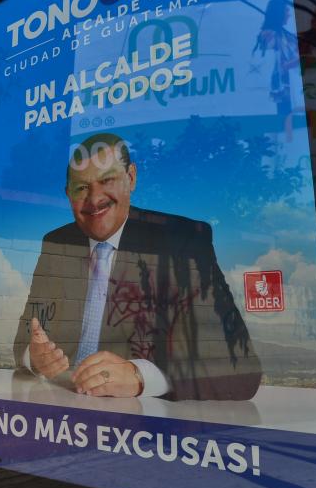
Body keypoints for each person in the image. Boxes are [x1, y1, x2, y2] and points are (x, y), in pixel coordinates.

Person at [13, 133, 261, 401]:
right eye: (81, 188)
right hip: (57, 408)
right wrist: (34, 357)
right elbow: (24, 340)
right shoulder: (56, 243)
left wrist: (140, 377)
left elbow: (239, 365)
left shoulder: (183, 241)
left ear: (131, 178)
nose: (95, 198)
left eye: (107, 180)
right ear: (68, 194)